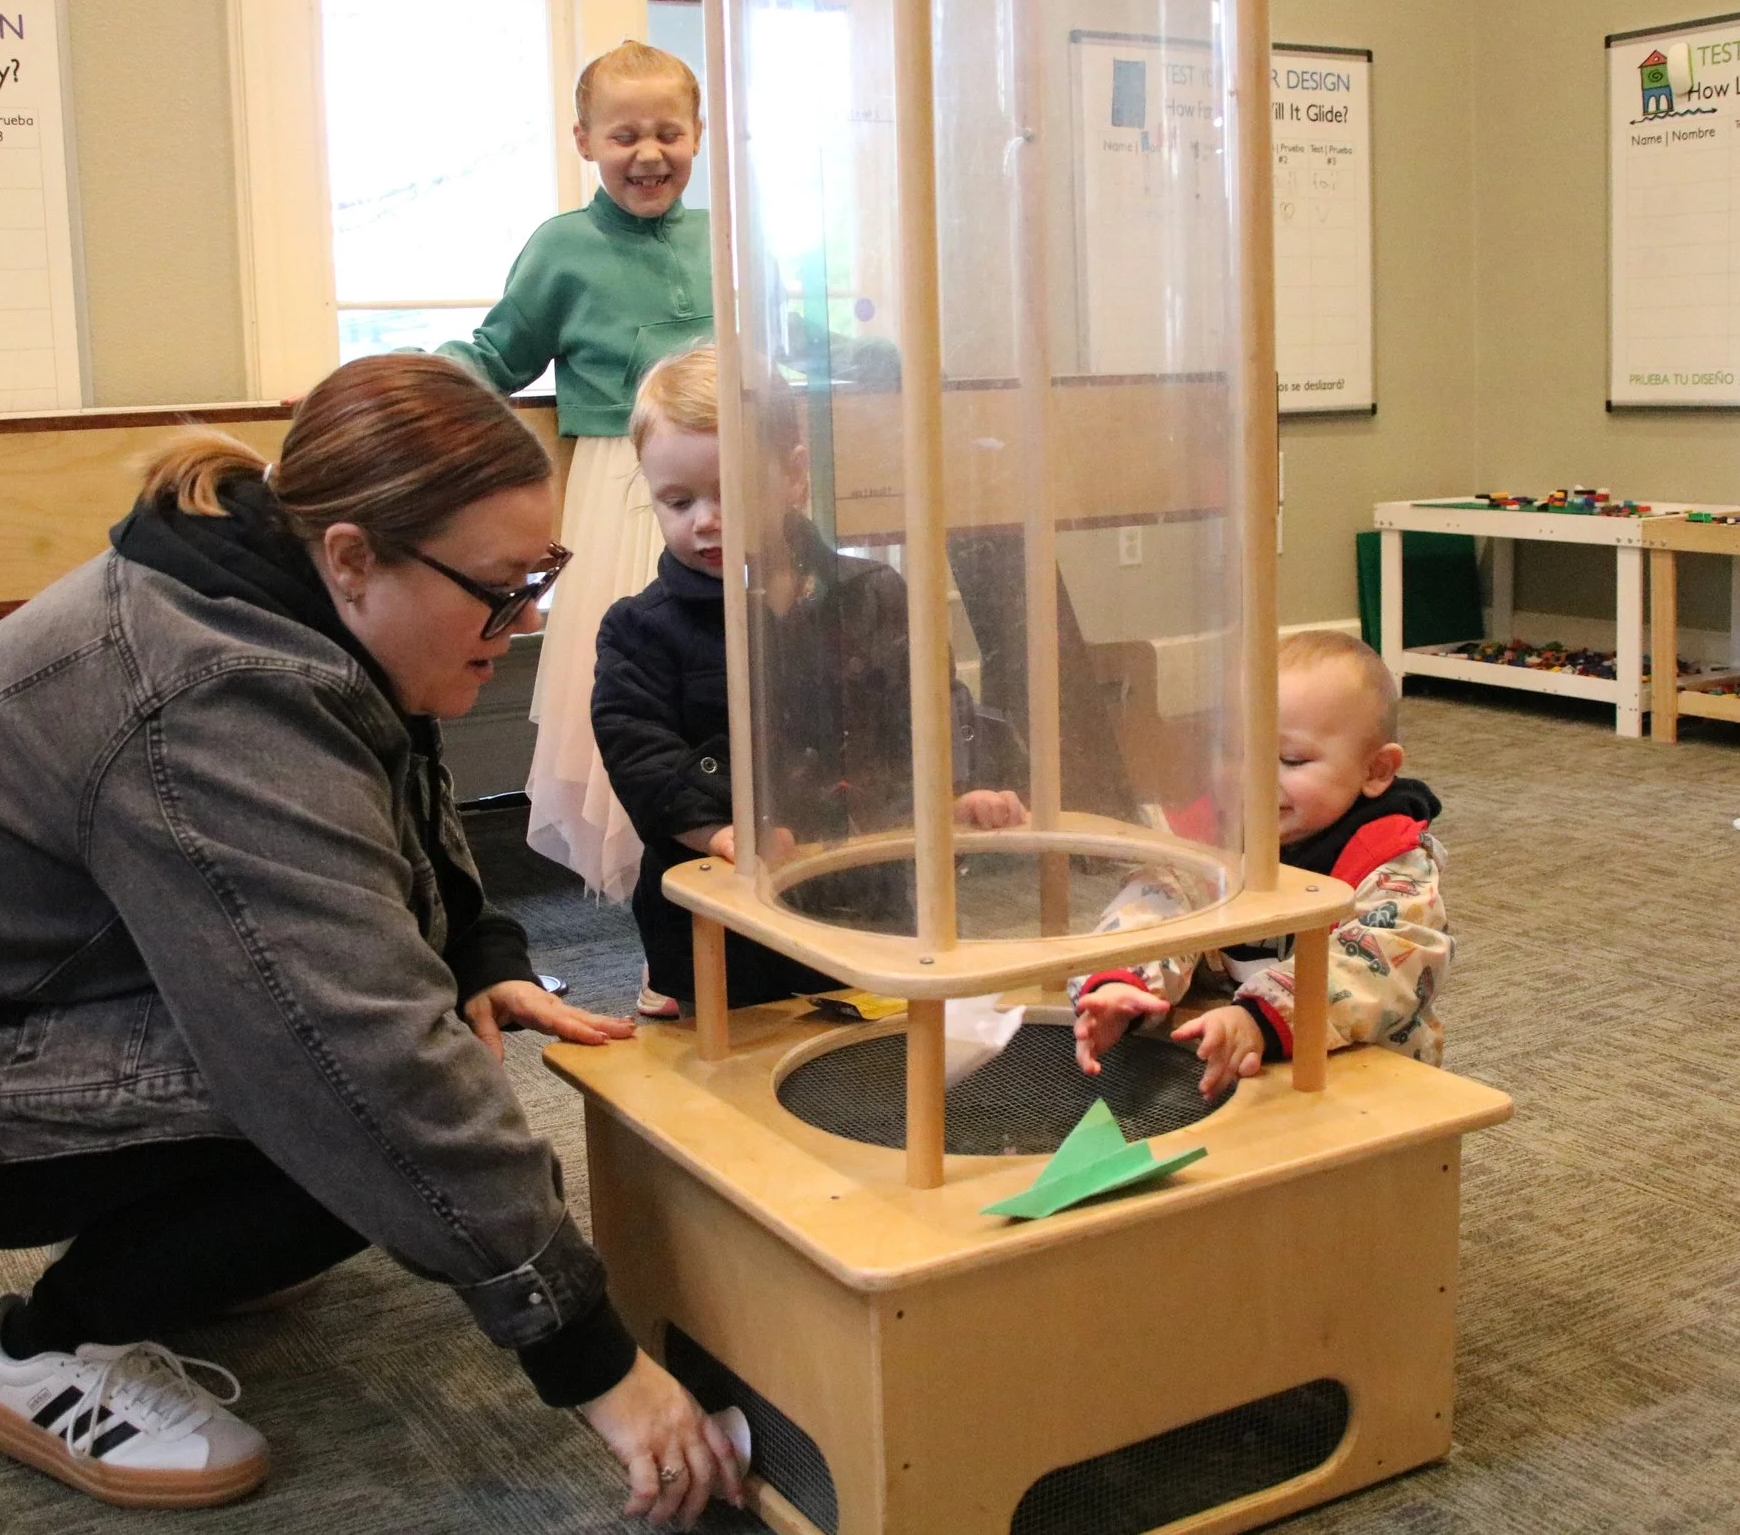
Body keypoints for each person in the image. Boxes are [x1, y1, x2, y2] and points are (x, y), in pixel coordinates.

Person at [0, 355, 742, 1528]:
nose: (524, 618)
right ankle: (40, 1349)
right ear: (349, 556)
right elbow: (354, 1055)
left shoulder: (281, 595)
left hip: (8, 1004)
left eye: (539, 575)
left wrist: (478, 949)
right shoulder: (212, 691)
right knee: (352, 1106)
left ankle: (171, 1256)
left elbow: (390, 791)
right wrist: (595, 1361)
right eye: (499, 587)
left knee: (400, 1073)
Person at [590, 347, 1025, 1019]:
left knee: (872, 1053)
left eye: (729, 492)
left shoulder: (873, 594)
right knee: (742, 1074)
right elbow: (640, 752)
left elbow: (932, 709)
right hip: (728, 922)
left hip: (869, 893)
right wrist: (715, 830)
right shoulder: (639, 630)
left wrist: (959, 789)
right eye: (678, 501)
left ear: (794, 475)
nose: (704, 519)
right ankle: (665, 991)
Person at [439, 40, 711, 905]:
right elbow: (495, 355)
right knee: (644, 695)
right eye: (625, 134)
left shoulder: (728, 236)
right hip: (623, 493)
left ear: (699, 135)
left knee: (732, 694)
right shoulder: (562, 248)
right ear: (584, 140)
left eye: (669, 131)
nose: (649, 153)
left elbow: (792, 344)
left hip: (732, 482)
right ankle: (659, 922)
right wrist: (405, 379)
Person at [1069, 630, 1450, 1099]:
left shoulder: (1392, 859)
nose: (1253, 779)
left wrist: (1261, 1016)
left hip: (1365, 1076)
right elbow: (1155, 901)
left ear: (1375, 771)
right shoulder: (1215, 829)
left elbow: (1380, 964)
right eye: (1233, 751)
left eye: (1290, 760)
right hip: (1241, 1059)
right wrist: (1120, 982)